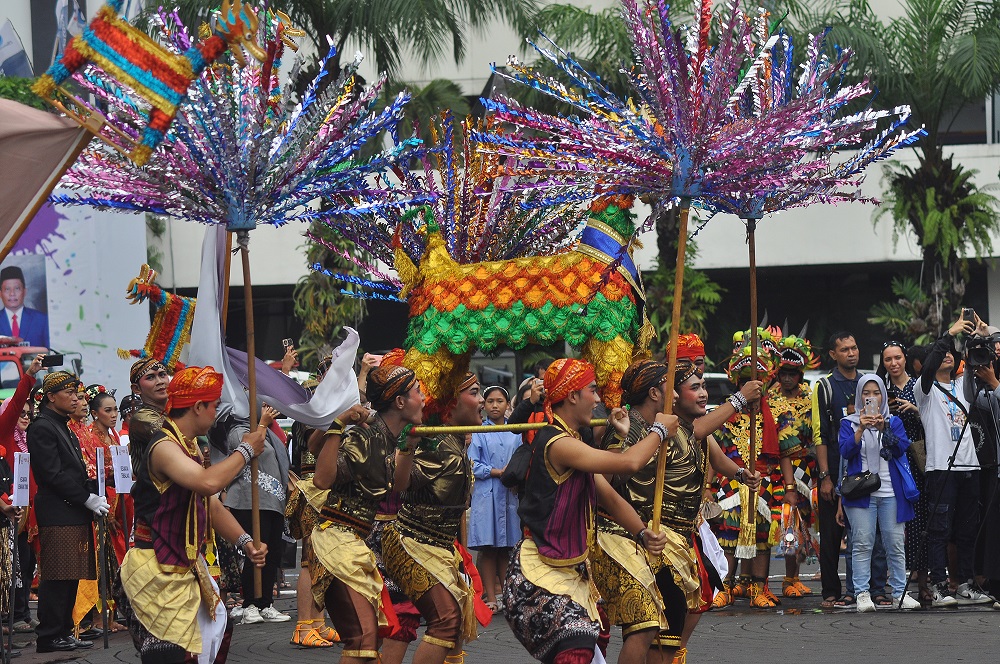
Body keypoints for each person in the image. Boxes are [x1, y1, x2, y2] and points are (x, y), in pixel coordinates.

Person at [503, 358, 673, 664]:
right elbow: (629, 464)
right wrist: (659, 431)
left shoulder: (573, 440)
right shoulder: (558, 442)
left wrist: (642, 532)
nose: (597, 399)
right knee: (577, 642)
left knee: (593, 637)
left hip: (570, 572)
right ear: (571, 396)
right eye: (591, 390)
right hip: (540, 573)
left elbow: (605, 492)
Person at [594, 359, 759, 664]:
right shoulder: (627, 426)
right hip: (634, 539)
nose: (702, 393)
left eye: (703, 386)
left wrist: (739, 474)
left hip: (675, 538)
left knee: (669, 634)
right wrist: (738, 399)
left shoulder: (681, 427)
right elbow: (609, 481)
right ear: (657, 393)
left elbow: (705, 439)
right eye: (691, 386)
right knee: (644, 629)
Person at [120, 365, 268, 663]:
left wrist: (246, 542)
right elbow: (208, 482)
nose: (216, 414)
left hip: (183, 565)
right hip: (155, 568)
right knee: (170, 655)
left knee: (208, 642)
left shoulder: (187, 446)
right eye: (213, 406)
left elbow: (210, 503)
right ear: (198, 407)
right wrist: (246, 450)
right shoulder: (164, 446)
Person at [310, 365, 421, 664]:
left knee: (367, 644)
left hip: (354, 542)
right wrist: (339, 422)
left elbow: (398, 486)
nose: (424, 399)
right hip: (335, 540)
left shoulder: (386, 437)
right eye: (418, 393)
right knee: (363, 638)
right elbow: (322, 479)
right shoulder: (365, 436)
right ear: (400, 403)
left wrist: (409, 447)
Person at [383, 373, 483, 664]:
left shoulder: (450, 440)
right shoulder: (434, 443)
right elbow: (398, 482)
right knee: (443, 619)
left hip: (439, 546)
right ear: (451, 403)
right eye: (475, 393)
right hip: (411, 544)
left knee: (449, 621)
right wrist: (408, 447)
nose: (481, 401)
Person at [710, 338, 796, 609]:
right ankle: (723, 587)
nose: (752, 388)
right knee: (728, 534)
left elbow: (784, 455)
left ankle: (759, 588)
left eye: (757, 382)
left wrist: (791, 489)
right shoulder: (724, 414)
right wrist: (707, 487)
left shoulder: (778, 414)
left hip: (765, 485)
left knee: (762, 538)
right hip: (730, 485)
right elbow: (714, 454)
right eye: (747, 382)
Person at [914, 314, 993, 606]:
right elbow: (932, 361)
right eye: (943, 353)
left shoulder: (963, 386)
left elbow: (981, 364)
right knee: (939, 530)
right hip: (941, 468)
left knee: (967, 529)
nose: (948, 355)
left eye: (952, 353)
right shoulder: (924, 391)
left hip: (969, 466)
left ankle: (966, 583)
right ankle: (938, 586)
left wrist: (981, 337)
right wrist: (949, 333)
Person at [28, 371, 104, 653]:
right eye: (69, 393)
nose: (76, 398)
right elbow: (52, 474)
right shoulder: (42, 427)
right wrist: (86, 498)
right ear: (50, 397)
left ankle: (62, 631)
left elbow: (74, 471)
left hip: (72, 512)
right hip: (58, 513)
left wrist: (95, 490)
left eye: (77, 392)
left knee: (70, 575)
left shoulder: (63, 425)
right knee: (57, 577)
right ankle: (48, 635)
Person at [812, 332, 888, 607]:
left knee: (872, 534)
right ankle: (831, 591)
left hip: (867, 467)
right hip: (834, 465)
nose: (851, 353)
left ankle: (873, 589)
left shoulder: (868, 382)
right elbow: (819, 434)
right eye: (844, 349)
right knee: (833, 534)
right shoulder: (825, 386)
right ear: (833, 354)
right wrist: (825, 477)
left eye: (854, 348)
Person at [838, 374, 921, 612]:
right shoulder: (849, 422)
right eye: (866, 393)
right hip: (860, 492)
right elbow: (845, 450)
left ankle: (899, 593)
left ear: (883, 396)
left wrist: (884, 428)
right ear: (859, 397)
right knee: (862, 543)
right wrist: (861, 428)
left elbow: (901, 447)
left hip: (890, 491)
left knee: (894, 543)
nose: (871, 398)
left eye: (876, 393)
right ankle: (862, 593)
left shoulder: (893, 421)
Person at [215, 404, 292, 624]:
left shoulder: (269, 433)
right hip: (250, 500)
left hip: (273, 501)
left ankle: (265, 603)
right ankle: (249, 603)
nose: (267, 408)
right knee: (254, 554)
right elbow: (246, 456)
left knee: (272, 554)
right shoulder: (239, 431)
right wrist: (262, 425)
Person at [878, 341, 930, 603]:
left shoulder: (918, 386)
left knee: (920, 519)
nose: (893, 363)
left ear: (905, 359)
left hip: (917, 458)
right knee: (894, 523)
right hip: (891, 461)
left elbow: (935, 418)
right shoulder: (880, 389)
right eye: (888, 359)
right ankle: (895, 583)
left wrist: (915, 410)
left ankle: (923, 582)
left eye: (897, 358)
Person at [769, 335, 819, 599]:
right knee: (781, 522)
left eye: (792, 374)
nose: (787, 378)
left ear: (800, 375)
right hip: (776, 469)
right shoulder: (768, 398)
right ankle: (753, 581)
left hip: (804, 470)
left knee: (801, 525)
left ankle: (793, 578)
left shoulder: (811, 399)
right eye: (783, 373)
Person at [467, 385, 520, 612]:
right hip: (487, 494)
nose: (495, 405)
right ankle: (490, 596)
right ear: (484, 404)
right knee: (488, 548)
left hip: (510, 494)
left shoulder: (517, 430)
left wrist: (515, 474)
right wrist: (498, 472)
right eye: (490, 401)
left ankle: (507, 595)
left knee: (507, 547)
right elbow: (472, 464)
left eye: (500, 401)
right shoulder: (479, 431)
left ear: (508, 405)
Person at [0, 353, 42, 636]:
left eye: (30, 414)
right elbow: (15, 404)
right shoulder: (4, 433)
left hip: (32, 510)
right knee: (13, 563)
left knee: (27, 562)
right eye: (22, 414)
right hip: (10, 508)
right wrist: (30, 375)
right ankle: (13, 616)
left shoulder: (30, 439)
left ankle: (24, 612)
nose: (25, 417)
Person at [0, 265, 48, 348]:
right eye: (7, 289)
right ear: (0, 293)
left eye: (17, 288)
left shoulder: (42, 320)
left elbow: (51, 354)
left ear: (24, 291)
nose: (12, 294)